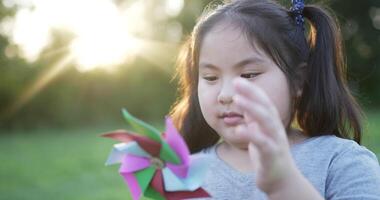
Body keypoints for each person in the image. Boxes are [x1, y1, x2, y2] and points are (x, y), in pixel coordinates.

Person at [169, 0, 380, 199]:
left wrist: (284, 184)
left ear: (297, 81)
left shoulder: (342, 162)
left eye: (249, 74)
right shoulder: (183, 174)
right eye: (210, 78)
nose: (225, 94)